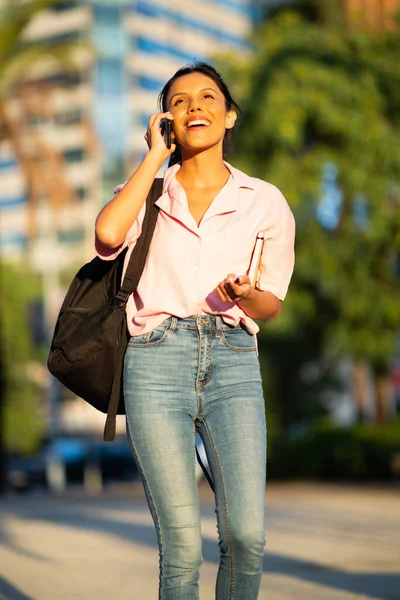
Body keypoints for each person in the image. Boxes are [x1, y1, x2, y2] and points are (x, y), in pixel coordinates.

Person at [95, 62, 295, 600]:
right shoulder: (146, 191)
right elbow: (108, 235)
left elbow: (271, 303)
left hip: (233, 358)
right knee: (181, 547)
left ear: (229, 116)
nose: (194, 108)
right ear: (166, 121)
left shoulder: (264, 200)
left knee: (246, 537)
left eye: (208, 98)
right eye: (179, 102)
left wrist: (244, 295)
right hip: (155, 363)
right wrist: (153, 158)